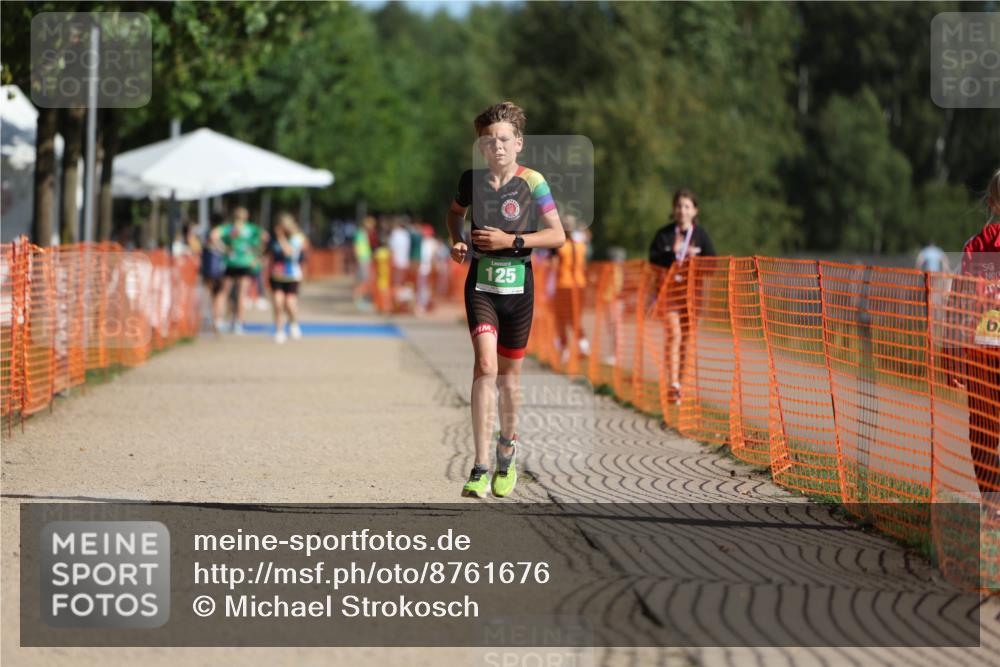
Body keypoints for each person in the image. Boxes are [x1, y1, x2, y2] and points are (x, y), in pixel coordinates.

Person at [447, 101, 566, 498]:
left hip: (519, 287)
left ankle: (506, 449)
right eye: (488, 140)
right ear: (481, 148)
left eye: (503, 139)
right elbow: (454, 214)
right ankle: (480, 465)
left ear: (518, 144)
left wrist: (510, 240)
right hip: (481, 283)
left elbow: (557, 235)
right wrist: (459, 241)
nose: (496, 146)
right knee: (484, 366)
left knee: (509, 380)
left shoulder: (534, 182)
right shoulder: (471, 181)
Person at [947, 168, 1000, 509]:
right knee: (982, 433)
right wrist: (952, 353)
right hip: (983, 352)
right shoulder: (976, 247)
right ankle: (993, 505)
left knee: (982, 433)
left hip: (982, 352)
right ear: (994, 203)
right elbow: (959, 302)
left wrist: (951, 352)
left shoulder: (975, 245)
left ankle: (992, 504)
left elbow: (957, 304)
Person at [648, 188, 716, 405]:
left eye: (687, 206)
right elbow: (653, 260)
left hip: (692, 295)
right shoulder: (664, 234)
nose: (682, 211)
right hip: (669, 293)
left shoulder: (701, 236)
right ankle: (673, 384)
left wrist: (695, 261)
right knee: (674, 335)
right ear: (673, 209)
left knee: (686, 340)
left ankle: (680, 383)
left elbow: (712, 265)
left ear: (695, 210)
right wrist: (672, 254)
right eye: (679, 206)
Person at [210, 206, 267, 334]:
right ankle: (238, 323)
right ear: (246, 217)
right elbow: (265, 237)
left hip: (230, 262)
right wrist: (257, 253)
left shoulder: (229, 228)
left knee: (223, 292)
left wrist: (223, 248)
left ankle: (218, 321)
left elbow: (213, 235)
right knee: (242, 293)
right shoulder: (251, 228)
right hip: (246, 262)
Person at [550, 214, 590, 366]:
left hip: (563, 286)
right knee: (575, 319)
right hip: (579, 285)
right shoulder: (581, 246)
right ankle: (584, 345)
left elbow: (553, 267)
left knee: (561, 319)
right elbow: (584, 266)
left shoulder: (560, 247)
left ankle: (564, 349)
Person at [268, 213, 307, 344]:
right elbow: (269, 254)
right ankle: (279, 330)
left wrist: (281, 238)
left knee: (289, 303)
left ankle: (293, 323)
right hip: (276, 275)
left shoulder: (297, 238)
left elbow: (288, 252)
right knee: (278, 303)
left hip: (292, 275)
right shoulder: (274, 239)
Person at [200, 213, 227, 332]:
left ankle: (213, 318)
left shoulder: (210, 232)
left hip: (210, 267)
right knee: (217, 293)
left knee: (212, 292)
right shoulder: (220, 232)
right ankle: (216, 319)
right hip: (216, 267)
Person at [353, 216, 375, 311]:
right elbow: (356, 247)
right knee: (362, 282)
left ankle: (361, 300)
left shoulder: (365, 234)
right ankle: (358, 301)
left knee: (365, 281)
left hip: (365, 259)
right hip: (362, 259)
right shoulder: (360, 234)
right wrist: (358, 259)